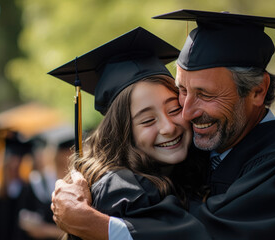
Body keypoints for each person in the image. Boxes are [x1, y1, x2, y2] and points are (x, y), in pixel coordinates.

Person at [52, 10, 275, 239]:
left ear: (258, 91)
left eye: (206, 95)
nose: (185, 112)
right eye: (182, 90)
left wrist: (95, 224)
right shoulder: (198, 156)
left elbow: (210, 234)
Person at [49, 27, 210, 240]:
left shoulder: (187, 171)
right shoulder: (121, 190)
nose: (168, 127)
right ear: (122, 133)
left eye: (174, 109)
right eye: (147, 120)